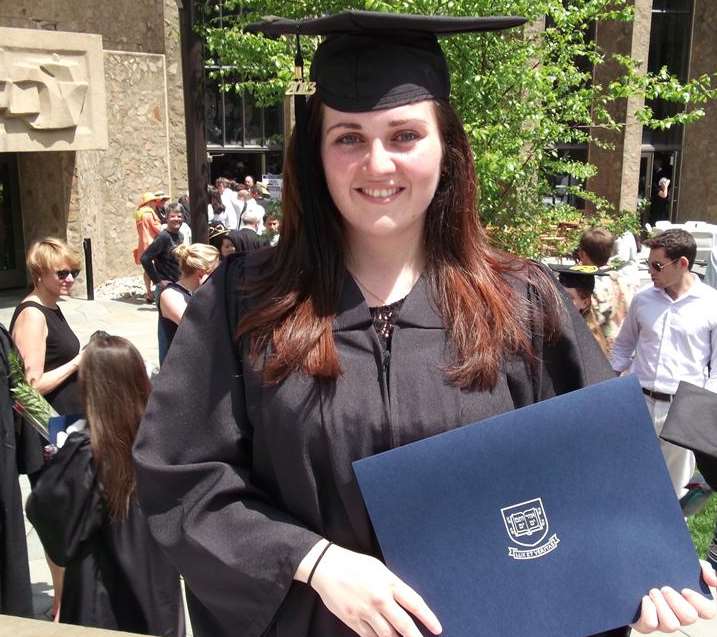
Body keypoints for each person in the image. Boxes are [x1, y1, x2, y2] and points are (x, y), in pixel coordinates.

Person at [133, 11, 716, 637]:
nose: (377, 163)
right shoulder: (244, 303)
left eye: (405, 135)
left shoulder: (520, 301)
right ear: (316, 154)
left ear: (447, 148)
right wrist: (313, 561)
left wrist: (646, 579)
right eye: (348, 137)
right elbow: (181, 475)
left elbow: (600, 473)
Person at [26, 333, 185, 635]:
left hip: (103, 599)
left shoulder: (87, 453)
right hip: (158, 590)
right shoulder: (161, 440)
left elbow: (51, 520)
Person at [611, 229, 717, 497]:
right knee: (630, 479)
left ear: (683, 264)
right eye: (649, 265)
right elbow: (623, 346)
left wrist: (702, 415)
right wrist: (606, 384)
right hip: (638, 402)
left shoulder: (711, 304)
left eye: (657, 266)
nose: (651, 272)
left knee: (675, 491)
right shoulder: (643, 299)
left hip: (684, 409)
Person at [9, 237, 84, 619]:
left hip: (66, 427)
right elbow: (28, 385)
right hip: (52, 433)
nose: (71, 278)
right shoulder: (34, 314)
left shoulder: (51, 307)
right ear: (40, 274)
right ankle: (60, 607)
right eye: (63, 272)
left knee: (71, 513)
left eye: (74, 271)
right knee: (59, 516)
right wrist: (79, 362)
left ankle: (66, 601)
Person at [157, 243, 219, 365]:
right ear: (201, 273)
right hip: (177, 373)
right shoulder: (171, 295)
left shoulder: (200, 292)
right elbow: (199, 328)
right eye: (216, 273)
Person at [553, 266, 609, 356]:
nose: (560, 302)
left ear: (585, 303)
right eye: (558, 295)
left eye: (568, 297)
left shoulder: (588, 343)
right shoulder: (553, 330)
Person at [140, 203, 184, 296]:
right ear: (167, 218)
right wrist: (158, 281)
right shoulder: (163, 237)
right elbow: (145, 258)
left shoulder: (180, 236)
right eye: (172, 216)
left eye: (179, 216)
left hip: (177, 284)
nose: (176, 219)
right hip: (166, 288)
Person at [133, 191, 169, 303]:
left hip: (143, 243)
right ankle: (159, 291)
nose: (156, 203)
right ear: (149, 202)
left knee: (147, 269)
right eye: (154, 201)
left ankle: (148, 292)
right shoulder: (149, 214)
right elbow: (157, 229)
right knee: (155, 269)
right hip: (152, 243)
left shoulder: (139, 214)